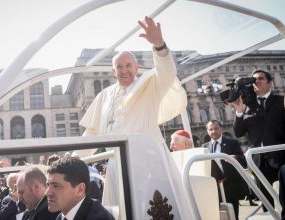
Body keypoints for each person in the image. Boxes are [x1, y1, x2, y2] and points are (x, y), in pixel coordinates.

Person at [78, 16, 191, 217]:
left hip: (150, 162)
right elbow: (92, 132)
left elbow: (167, 72)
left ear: (136, 68)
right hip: (117, 165)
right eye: (119, 67)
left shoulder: (149, 85)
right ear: (113, 70)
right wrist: (74, 159)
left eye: (128, 65)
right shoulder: (104, 95)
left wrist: (159, 45)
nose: (124, 70)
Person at [230, 69, 285, 211]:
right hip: (258, 163)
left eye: (260, 78)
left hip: (280, 158)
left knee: (283, 200)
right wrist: (239, 111)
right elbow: (238, 132)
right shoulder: (247, 106)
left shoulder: (280, 101)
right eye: (254, 80)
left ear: (269, 82)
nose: (256, 82)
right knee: (267, 205)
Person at [202, 120, 247, 220]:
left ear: (221, 129)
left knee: (233, 214)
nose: (214, 131)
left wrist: (235, 158)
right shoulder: (204, 147)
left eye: (216, 128)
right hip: (214, 188)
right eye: (211, 129)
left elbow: (244, 161)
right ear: (207, 131)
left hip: (231, 186)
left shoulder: (232, 143)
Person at [45, 157, 114, 220]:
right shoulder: (62, 216)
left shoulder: (99, 218)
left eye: (56, 186)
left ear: (80, 189)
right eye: (48, 185)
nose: (47, 193)